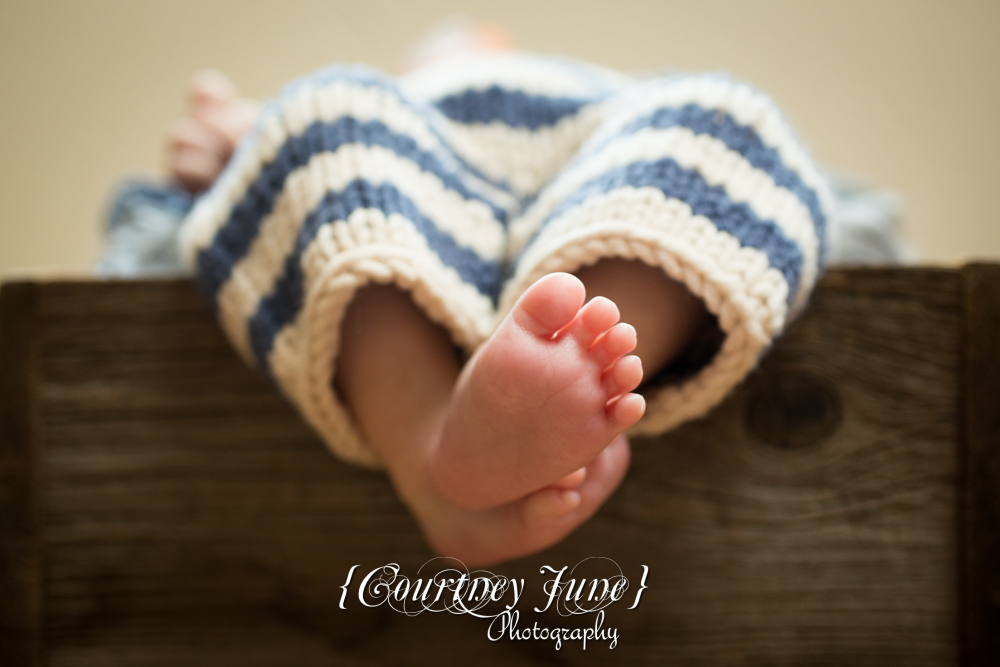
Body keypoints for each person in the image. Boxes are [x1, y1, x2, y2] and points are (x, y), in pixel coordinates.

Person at [111, 24, 840, 566]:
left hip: (593, 179)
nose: (463, 37)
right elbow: (288, 174)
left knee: (717, 118)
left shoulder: (610, 96)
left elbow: (682, 146)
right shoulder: (391, 107)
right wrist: (244, 136)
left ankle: (578, 360)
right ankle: (439, 450)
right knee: (318, 117)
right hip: (415, 202)